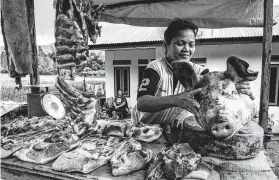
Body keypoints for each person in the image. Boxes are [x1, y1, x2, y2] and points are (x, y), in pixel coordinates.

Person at [133, 18, 254, 144]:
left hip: (177, 131)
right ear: (165, 46)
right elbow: (142, 102)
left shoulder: (201, 72)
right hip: (148, 131)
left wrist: (240, 89)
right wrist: (175, 100)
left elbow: (217, 95)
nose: (186, 49)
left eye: (191, 44)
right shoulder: (155, 68)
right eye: (180, 43)